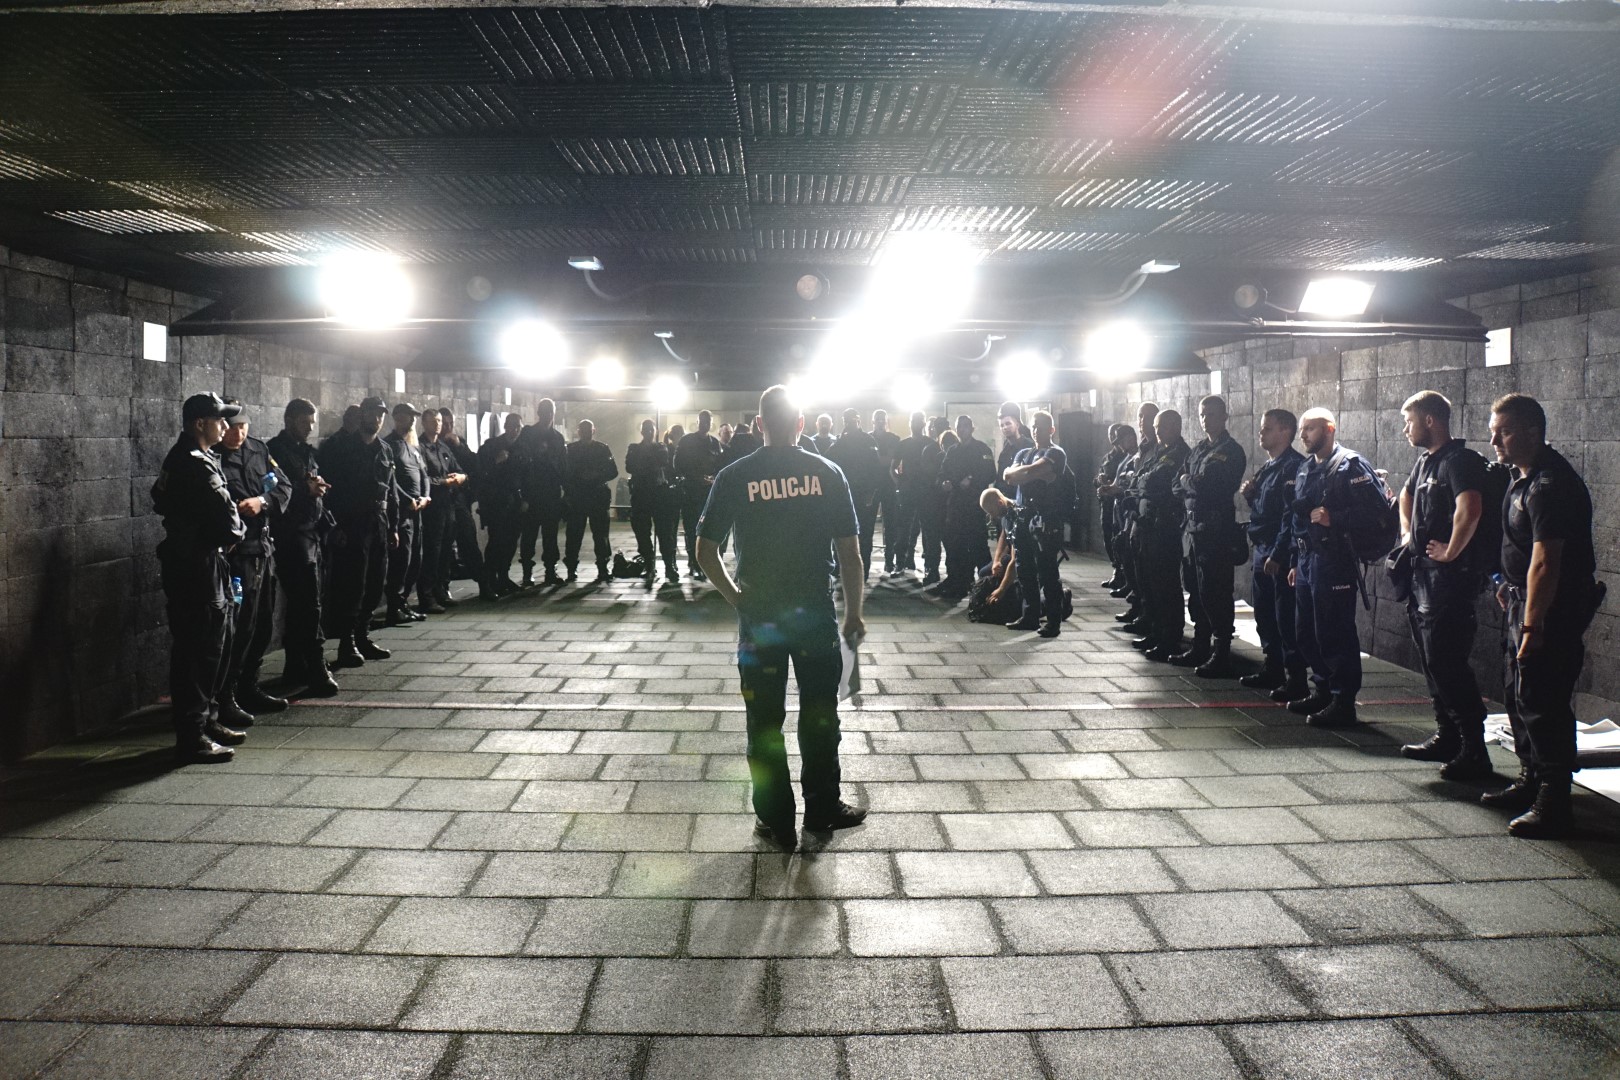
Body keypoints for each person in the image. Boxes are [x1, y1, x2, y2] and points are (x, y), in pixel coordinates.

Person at [695, 384, 868, 849]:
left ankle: (775, 820)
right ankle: (822, 810)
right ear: (801, 424)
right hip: (813, 616)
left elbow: (704, 549)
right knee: (819, 716)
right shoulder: (828, 473)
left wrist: (735, 597)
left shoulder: (735, 475)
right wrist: (854, 613)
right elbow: (850, 555)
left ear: (758, 425)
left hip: (761, 620)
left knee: (764, 722)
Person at [1483, 393, 1600, 838]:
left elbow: (1546, 561)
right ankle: (1531, 778)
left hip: (1551, 610)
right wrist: (1506, 588)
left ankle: (1554, 800)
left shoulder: (1552, 484)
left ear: (1533, 433)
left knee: (1543, 699)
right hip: (1522, 602)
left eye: (1505, 431)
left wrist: (1533, 624)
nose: (1495, 440)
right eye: (1494, 430)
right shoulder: (1521, 477)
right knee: (1517, 694)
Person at [1396, 390, 1493, 783]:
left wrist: (1452, 551)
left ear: (1430, 421)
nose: (1406, 428)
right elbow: (1404, 495)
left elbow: (1470, 507)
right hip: (1422, 578)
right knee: (1431, 661)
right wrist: (1406, 534)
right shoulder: (1425, 462)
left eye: (1409, 421)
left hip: (1448, 582)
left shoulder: (1460, 461)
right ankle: (1448, 736)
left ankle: (1475, 750)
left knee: (1447, 662)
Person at [154, 393, 248, 764]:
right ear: (199, 424)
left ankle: (206, 721)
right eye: (218, 419)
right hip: (197, 565)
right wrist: (233, 530)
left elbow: (158, 498)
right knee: (199, 650)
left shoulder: (189, 458)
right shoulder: (194, 463)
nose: (225, 426)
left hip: (201, 559)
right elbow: (229, 523)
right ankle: (192, 736)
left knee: (214, 646)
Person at [1286, 408, 1385, 727]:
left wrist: (1336, 518)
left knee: (1335, 631)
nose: (1303, 435)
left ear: (1329, 429)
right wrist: (1294, 561)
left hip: (1335, 561)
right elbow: (1297, 519)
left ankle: (1343, 701)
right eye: (1302, 430)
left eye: (1310, 429)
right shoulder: (1304, 469)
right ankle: (1323, 690)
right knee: (1306, 631)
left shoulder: (1350, 466)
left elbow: (1377, 515)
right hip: (1307, 560)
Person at [216, 399, 293, 724]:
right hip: (235, 557)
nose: (238, 433)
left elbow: (284, 487)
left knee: (262, 624)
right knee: (239, 627)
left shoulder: (259, 450)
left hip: (263, 550)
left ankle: (250, 685)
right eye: (232, 427)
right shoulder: (213, 457)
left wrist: (262, 502)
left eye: (243, 427)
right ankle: (227, 694)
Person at [267, 399, 339, 698]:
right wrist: (304, 490)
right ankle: (315, 665)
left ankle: (296, 663)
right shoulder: (275, 451)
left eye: (312, 422)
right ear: (288, 420)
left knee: (305, 602)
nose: (309, 427)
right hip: (291, 534)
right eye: (303, 422)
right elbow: (272, 489)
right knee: (308, 602)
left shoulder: (307, 452)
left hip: (311, 532)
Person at [1171, 395, 1247, 676]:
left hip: (1216, 532)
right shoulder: (1199, 449)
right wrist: (1191, 483)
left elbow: (1213, 487)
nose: (1206, 419)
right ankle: (1200, 645)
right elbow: (1176, 485)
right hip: (1192, 531)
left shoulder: (1231, 451)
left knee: (1216, 592)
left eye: (1212, 414)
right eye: (1203, 414)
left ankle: (1222, 651)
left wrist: (1188, 482)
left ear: (1224, 416)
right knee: (1195, 589)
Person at [321, 396, 397, 667]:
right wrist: (334, 527)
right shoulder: (341, 448)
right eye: (372, 413)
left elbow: (390, 491)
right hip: (351, 525)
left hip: (377, 523)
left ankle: (363, 636)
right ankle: (347, 643)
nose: (376, 419)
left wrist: (393, 526)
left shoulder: (385, 450)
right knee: (352, 585)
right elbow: (328, 492)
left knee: (375, 583)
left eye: (380, 415)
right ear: (361, 414)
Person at [1240, 409, 1307, 702]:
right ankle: (1273, 667)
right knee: (1265, 614)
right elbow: (1266, 508)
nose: (1261, 433)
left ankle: (1296, 679)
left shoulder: (1293, 467)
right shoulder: (1269, 466)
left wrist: (1279, 554)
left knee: (1285, 618)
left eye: (1267, 429)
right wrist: (1251, 496)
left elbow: (1289, 516)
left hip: (1277, 552)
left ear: (1285, 432)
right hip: (1262, 548)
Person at [1002, 410, 1068, 637]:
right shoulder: (1023, 451)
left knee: (1047, 571)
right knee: (1025, 571)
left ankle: (1053, 621)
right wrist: (1026, 472)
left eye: (1041, 426)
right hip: (1022, 518)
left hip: (1043, 520)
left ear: (1051, 429)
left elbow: (1032, 471)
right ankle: (1029, 616)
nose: (1037, 430)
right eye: (1034, 426)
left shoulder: (1056, 454)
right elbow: (1008, 476)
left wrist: (1025, 472)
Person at [1132, 408, 1190, 660]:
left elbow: (1155, 481)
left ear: (1175, 426)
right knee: (1150, 581)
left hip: (1166, 526)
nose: (1156, 431)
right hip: (1150, 524)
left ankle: (1170, 637)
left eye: (1161, 426)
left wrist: (1143, 481)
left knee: (1166, 583)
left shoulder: (1179, 454)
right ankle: (1156, 630)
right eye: (1155, 427)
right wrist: (1143, 481)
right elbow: (1138, 481)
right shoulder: (1159, 452)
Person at [936, 414, 996, 599]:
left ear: (972, 428)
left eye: (965, 426)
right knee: (955, 545)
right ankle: (959, 581)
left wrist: (972, 480)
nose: (962, 430)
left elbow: (991, 474)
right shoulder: (952, 451)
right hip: (955, 505)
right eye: (959, 427)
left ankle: (987, 583)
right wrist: (943, 483)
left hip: (974, 505)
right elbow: (942, 473)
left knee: (978, 545)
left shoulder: (981, 449)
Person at [382, 402, 430, 624]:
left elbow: (424, 475)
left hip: (417, 511)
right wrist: (407, 499)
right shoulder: (389, 445)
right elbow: (390, 480)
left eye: (413, 417)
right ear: (396, 418)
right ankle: (394, 606)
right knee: (402, 559)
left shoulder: (412, 447)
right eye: (407, 416)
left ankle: (404, 603)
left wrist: (425, 496)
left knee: (416, 560)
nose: (412, 420)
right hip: (402, 513)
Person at [1113, 403, 1159, 634]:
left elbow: (1150, 480)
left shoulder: (1162, 448)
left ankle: (1155, 622)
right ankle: (1140, 608)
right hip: (1134, 512)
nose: (1142, 421)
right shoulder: (1145, 446)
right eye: (1140, 416)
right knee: (1134, 563)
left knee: (1155, 575)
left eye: (1148, 417)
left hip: (1153, 518)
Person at [417, 408, 468, 613]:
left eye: (439, 420)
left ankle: (441, 589)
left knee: (446, 550)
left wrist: (462, 478)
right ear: (424, 423)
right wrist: (444, 482)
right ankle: (426, 596)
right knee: (432, 551)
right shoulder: (420, 447)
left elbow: (459, 469)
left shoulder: (443, 447)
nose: (437, 424)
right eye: (433, 421)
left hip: (449, 506)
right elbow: (422, 478)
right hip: (433, 508)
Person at [826, 408, 885, 581]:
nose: (849, 423)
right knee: (841, 532)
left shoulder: (868, 440)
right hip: (844, 494)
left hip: (864, 494)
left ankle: (863, 571)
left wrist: (872, 492)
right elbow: (829, 458)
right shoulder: (841, 441)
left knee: (865, 535)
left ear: (858, 420)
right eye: (846, 420)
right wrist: (840, 439)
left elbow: (876, 468)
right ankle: (840, 569)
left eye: (851, 420)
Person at [516, 399, 567, 587]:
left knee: (550, 535)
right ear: (539, 412)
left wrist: (564, 490)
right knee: (529, 535)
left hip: (550, 493)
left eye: (550, 411)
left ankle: (550, 570)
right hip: (532, 492)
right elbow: (522, 462)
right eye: (545, 411)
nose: (548, 415)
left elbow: (562, 466)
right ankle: (528, 572)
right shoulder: (528, 434)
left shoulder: (557, 438)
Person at [563, 419, 619, 584]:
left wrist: (595, 475)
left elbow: (612, 471)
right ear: (579, 431)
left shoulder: (600, 449)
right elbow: (565, 473)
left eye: (588, 429)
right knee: (575, 535)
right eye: (583, 429)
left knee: (600, 535)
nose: (586, 432)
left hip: (595, 496)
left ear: (592, 431)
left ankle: (601, 567)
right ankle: (574, 569)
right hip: (581, 496)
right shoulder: (573, 450)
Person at [479, 412, 527, 598]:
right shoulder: (492, 446)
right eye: (512, 426)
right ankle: (492, 578)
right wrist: (496, 462)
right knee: (496, 540)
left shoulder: (523, 447)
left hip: (515, 501)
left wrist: (526, 499)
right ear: (506, 426)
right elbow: (481, 470)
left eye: (518, 427)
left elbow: (528, 476)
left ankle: (504, 575)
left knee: (511, 540)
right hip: (497, 501)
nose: (515, 430)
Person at [628, 418, 678, 584]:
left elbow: (662, 461)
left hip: (657, 494)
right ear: (642, 431)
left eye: (651, 430)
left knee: (665, 534)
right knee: (642, 533)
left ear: (655, 431)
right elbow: (630, 466)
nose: (649, 432)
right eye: (646, 429)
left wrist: (645, 464)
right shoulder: (634, 448)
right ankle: (649, 565)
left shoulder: (660, 447)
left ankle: (668, 566)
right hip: (642, 494)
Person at [675, 411, 724, 580]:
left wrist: (713, 479)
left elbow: (721, 466)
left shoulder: (715, 443)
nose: (705, 424)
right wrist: (695, 477)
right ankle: (693, 563)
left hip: (708, 492)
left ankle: (705, 563)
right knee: (691, 529)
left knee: (708, 529)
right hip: (691, 491)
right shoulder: (687, 441)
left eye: (708, 422)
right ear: (698, 422)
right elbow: (678, 464)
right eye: (702, 421)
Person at [438, 408, 483, 587]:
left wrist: (459, 446)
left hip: (459, 498)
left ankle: (482, 581)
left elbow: (473, 465)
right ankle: (442, 586)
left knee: (469, 539)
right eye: (444, 424)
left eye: (450, 424)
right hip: (440, 500)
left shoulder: (458, 442)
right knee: (443, 546)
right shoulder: (425, 444)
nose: (447, 428)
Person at [891, 411, 933, 577]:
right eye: (913, 421)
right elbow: (893, 467)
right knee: (903, 530)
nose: (916, 424)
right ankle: (900, 563)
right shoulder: (904, 444)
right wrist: (899, 483)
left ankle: (930, 566)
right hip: (908, 493)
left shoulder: (930, 444)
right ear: (910, 424)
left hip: (926, 493)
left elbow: (937, 467)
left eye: (919, 421)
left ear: (923, 424)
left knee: (928, 531)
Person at [1095, 423, 1132, 591]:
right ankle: (1118, 571)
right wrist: (1100, 482)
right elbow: (1097, 478)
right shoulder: (1109, 457)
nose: (1114, 442)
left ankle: (1124, 576)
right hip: (1108, 503)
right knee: (1109, 537)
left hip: (1120, 504)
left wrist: (1111, 486)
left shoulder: (1128, 458)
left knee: (1120, 539)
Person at [871, 409, 902, 575]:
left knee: (891, 525)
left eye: (883, 419)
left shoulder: (894, 439)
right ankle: (865, 562)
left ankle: (889, 561)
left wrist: (873, 458)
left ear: (886, 421)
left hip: (888, 486)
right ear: (873, 421)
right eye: (877, 419)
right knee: (867, 525)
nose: (880, 422)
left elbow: (888, 461)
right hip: (872, 486)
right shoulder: (867, 438)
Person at [995, 402, 1034, 498]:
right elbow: (1000, 481)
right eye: (1002, 425)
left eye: (1008, 423)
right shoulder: (1004, 453)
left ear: (1017, 424)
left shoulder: (1031, 447)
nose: (1005, 427)